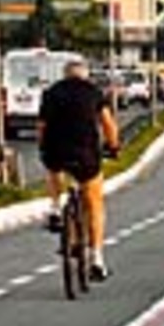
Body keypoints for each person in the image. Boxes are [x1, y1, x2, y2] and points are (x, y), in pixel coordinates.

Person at [38, 58, 122, 281]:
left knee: (53, 168)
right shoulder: (94, 93)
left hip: (57, 151)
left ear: (65, 75)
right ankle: (97, 260)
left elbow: (42, 126)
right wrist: (114, 147)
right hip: (86, 155)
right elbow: (108, 124)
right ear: (85, 75)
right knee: (94, 204)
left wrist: (43, 147)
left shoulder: (51, 93)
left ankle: (56, 208)